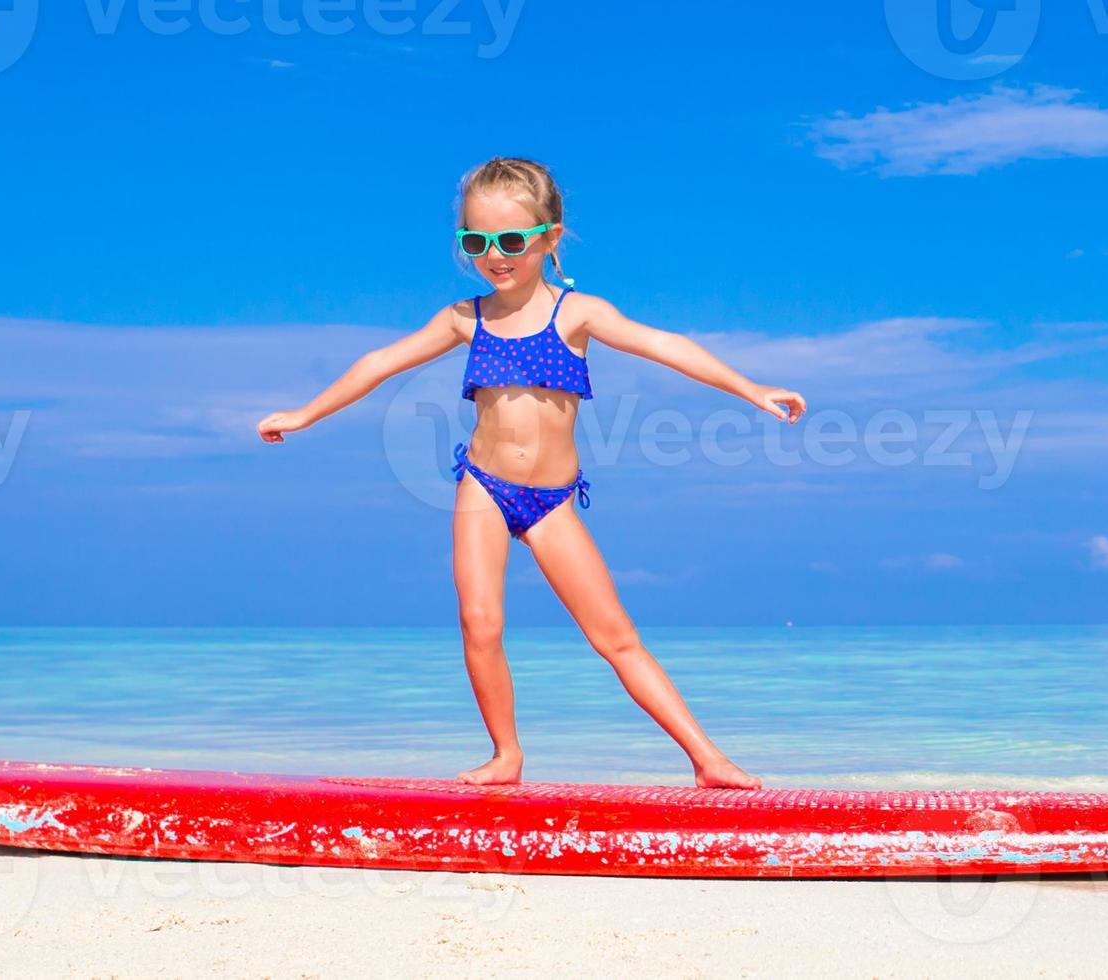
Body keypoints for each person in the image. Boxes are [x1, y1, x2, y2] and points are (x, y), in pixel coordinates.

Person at [257, 157, 801, 790]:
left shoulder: (578, 314)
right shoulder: (466, 318)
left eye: (511, 240)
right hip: (482, 486)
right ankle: (506, 754)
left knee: (614, 635)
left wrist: (750, 387)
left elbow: (667, 345)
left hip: (550, 500)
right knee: (480, 622)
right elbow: (380, 362)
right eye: (476, 241)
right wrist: (305, 413)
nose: (495, 255)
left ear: (549, 236)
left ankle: (708, 759)